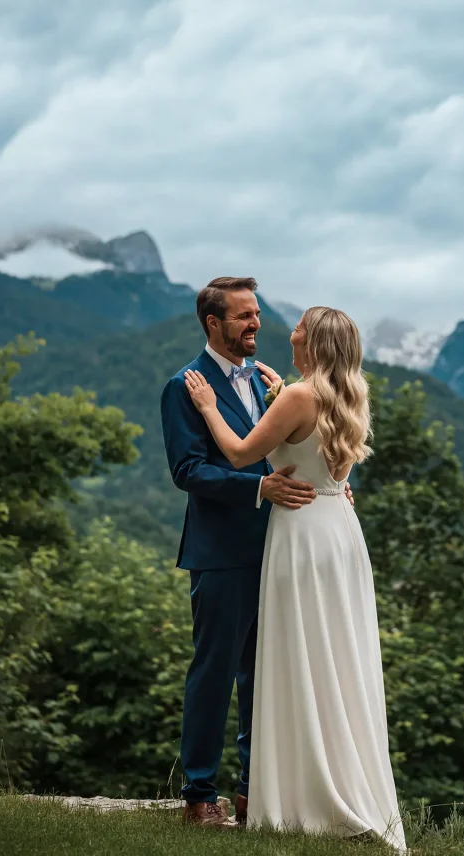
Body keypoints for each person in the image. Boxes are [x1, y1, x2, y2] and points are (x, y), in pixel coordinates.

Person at [184, 304, 406, 850]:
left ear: (315, 341)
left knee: (300, 655)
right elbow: (312, 446)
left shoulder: (298, 397)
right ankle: (337, 780)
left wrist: (209, 406)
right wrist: (283, 394)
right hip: (339, 531)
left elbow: (240, 455)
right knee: (335, 657)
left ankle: (300, 790)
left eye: (300, 326)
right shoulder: (348, 393)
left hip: (301, 534)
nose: (290, 331)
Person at [160, 276, 354, 828]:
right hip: (223, 553)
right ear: (213, 323)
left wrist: (331, 485)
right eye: (244, 315)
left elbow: (292, 445)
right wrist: (257, 489)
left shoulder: (272, 384)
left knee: (265, 675)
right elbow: (188, 471)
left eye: (257, 314)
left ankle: (254, 792)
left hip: (282, 549)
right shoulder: (184, 387)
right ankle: (200, 795)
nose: (256, 323)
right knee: (215, 673)